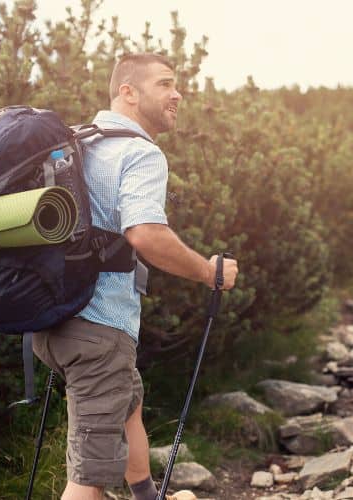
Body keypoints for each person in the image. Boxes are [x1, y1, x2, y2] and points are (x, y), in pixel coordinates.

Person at [31, 53, 239, 500]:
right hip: (99, 327)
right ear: (128, 91)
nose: (177, 93)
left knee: (129, 400)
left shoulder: (76, 142)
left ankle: (146, 493)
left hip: (54, 319)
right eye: (165, 84)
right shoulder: (140, 152)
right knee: (89, 477)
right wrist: (209, 272)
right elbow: (145, 234)